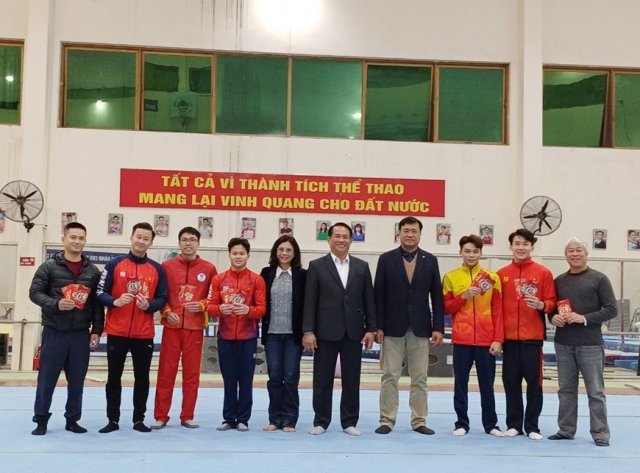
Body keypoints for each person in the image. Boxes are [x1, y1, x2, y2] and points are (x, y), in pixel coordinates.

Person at [29, 222, 104, 435]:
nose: (77, 241)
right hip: (54, 332)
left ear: (85, 241)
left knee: (77, 381)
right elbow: (34, 293)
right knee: (46, 380)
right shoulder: (48, 267)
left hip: (80, 334)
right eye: (73, 237)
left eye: (81, 238)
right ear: (64, 239)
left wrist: (97, 330)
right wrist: (55, 303)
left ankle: (72, 419)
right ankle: (41, 420)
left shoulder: (92, 271)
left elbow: (97, 304)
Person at [303, 222, 377, 436]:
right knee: (322, 379)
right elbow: (310, 301)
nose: (341, 240)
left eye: (345, 236)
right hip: (325, 331)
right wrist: (308, 330)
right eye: (337, 236)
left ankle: (349, 421)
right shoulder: (317, 266)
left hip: (354, 331)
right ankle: (321, 421)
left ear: (351, 240)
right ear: (329, 239)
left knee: (352, 379)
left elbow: (369, 299)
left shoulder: (362, 267)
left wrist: (371, 328)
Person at [374, 216, 445, 435]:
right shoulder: (386, 259)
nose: (410, 234)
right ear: (399, 233)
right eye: (406, 230)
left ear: (420, 234)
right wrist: (378, 326)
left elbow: (437, 296)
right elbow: (378, 295)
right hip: (392, 327)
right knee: (390, 376)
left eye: (414, 231)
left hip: (420, 327)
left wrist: (438, 327)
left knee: (420, 377)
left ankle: (419, 420)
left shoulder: (430, 260)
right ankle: (387, 420)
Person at [96, 222, 168, 433]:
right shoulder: (114, 264)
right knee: (114, 377)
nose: (141, 241)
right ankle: (113, 419)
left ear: (151, 242)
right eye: (138, 236)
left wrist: (149, 306)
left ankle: (138, 419)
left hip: (143, 334)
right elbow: (100, 292)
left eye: (146, 238)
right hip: (117, 331)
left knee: (142, 378)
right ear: (131, 237)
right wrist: (115, 301)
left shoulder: (157, 269)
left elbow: (163, 297)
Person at [547, 237, 617, 447]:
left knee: (595, 391)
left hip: (590, 344)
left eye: (579, 250)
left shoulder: (599, 279)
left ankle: (600, 433)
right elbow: (551, 308)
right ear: (565, 255)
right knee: (565, 390)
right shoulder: (558, 281)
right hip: (563, 343)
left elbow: (611, 310)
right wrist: (552, 318)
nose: (575, 254)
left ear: (586, 254)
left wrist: (583, 318)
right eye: (571, 250)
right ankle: (566, 430)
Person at [151, 227, 217, 430]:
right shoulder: (167, 266)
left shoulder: (209, 269)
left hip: (194, 328)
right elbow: (160, 294)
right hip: (172, 327)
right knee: (166, 372)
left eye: (192, 239)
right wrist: (166, 311)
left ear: (198, 243)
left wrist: (203, 305)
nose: (188, 243)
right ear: (179, 243)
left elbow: (214, 297)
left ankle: (187, 415)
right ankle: (161, 416)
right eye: (185, 240)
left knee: (191, 375)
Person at [497, 229, 556, 440]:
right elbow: (497, 309)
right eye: (517, 243)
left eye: (525, 244)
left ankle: (532, 426)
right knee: (511, 382)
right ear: (510, 246)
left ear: (532, 247)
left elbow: (552, 302)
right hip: (509, 340)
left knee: (534, 384)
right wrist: (498, 338)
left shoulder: (543, 273)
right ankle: (513, 424)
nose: (521, 247)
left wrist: (542, 305)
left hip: (533, 339)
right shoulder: (501, 274)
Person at [442, 234, 504, 437]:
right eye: (467, 251)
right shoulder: (450, 277)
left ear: (481, 253)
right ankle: (461, 423)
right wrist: (463, 296)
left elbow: (498, 310)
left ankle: (491, 424)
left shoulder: (492, 278)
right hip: (462, 339)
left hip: (486, 340)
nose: (471, 255)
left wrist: (498, 339)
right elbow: (445, 308)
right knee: (460, 383)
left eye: (475, 251)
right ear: (460, 252)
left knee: (487, 385)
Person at [207, 238, 266, 432]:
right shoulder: (219, 279)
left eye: (242, 253)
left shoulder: (256, 280)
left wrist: (248, 310)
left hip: (248, 338)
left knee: (246, 380)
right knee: (229, 380)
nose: (238, 257)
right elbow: (211, 306)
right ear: (229, 255)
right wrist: (220, 309)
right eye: (235, 253)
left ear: (248, 256)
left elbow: (262, 309)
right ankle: (228, 418)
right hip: (225, 337)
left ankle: (243, 419)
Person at [260, 236, 307, 432]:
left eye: (288, 250)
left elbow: (307, 305)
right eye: (281, 249)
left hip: (293, 336)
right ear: (275, 252)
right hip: (272, 334)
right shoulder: (267, 273)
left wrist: (307, 331)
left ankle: (289, 420)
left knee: (290, 377)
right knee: (274, 377)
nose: (284, 253)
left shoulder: (303, 275)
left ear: (294, 253)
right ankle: (274, 419)